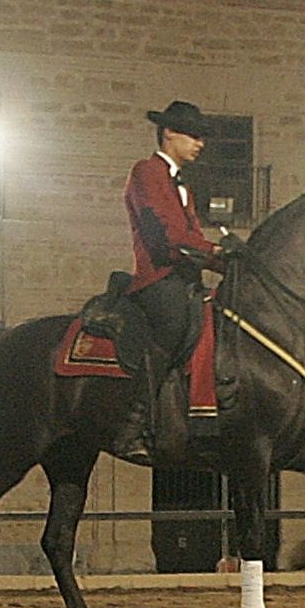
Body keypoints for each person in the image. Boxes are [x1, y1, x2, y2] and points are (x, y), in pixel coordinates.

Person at [112, 99, 227, 464]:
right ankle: (133, 424)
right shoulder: (146, 172)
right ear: (169, 134)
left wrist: (227, 259)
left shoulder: (184, 187)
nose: (200, 143)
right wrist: (216, 253)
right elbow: (169, 236)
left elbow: (190, 238)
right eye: (193, 136)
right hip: (158, 278)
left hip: (185, 278)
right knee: (175, 322)